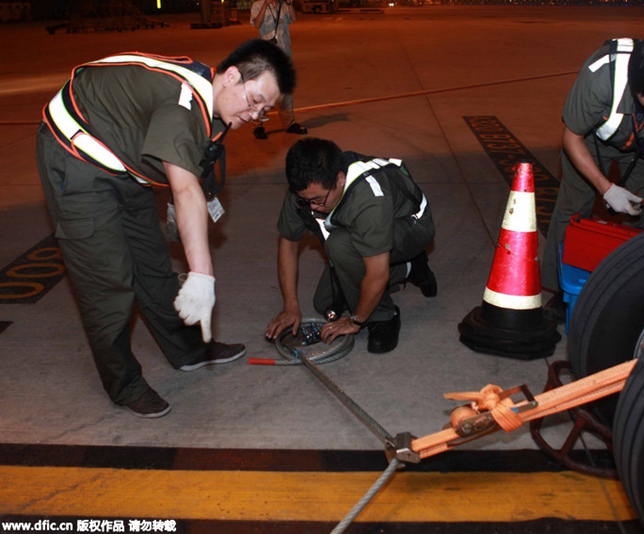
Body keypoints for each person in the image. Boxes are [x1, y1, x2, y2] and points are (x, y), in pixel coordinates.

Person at [36, 39, 297, 418]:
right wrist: (202, 275)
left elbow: (192, 174)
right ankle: (124, 384)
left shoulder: (218, 110)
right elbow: (185, 187)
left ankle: (188, 350)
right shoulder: (183, 104)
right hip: (75, 156)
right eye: (254, 99)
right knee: (109, 283)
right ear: (232, 76)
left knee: (153, 264)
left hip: (123, 160)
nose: (255, 114)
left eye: (264, 110)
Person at [540, 32, 644, 323]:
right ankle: (560, 293)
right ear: (636, 81)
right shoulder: (602, 77)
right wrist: (607, 188)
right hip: (591, 141)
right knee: (572, 210)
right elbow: (572, 137)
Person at [265, 138, 436, 354]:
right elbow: (288, 244)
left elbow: (376, 274)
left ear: (339, 179)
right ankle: (410, 267)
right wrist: (290, 306)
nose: (312, 207)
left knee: (341, 244)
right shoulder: (306, 193)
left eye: (318, 200)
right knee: (325, 303)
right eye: (305, 200)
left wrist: (356, 321)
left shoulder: (368, 199)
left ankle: (384, 316)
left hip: (410, 226)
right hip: (365, 234)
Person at [251, 0, 307, 139]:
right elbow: (257, 24)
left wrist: (290, 3)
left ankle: (289, 123)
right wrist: (265, 5)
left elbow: (294, 19)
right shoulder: (258, 5)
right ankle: (258, 125)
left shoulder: (284, 5)